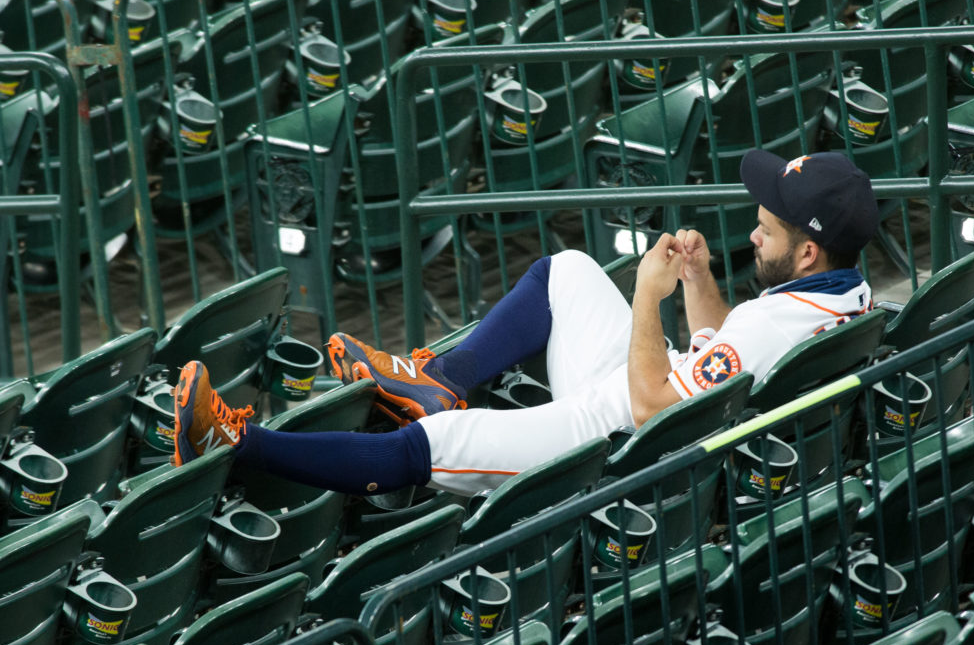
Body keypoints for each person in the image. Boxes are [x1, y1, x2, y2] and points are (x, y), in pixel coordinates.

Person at [173, 149, 878, 497]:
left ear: (808, 250)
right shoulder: (847, 296)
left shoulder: (772, 327)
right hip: (661, 409)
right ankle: (437, 378)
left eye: (768, 230)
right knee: (566, 270)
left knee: (425, 448)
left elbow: (652, 405)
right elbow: (724, 348)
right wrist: (698, 281)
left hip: (617, 443)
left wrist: (646, 296)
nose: (755, 236)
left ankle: (234, 442)